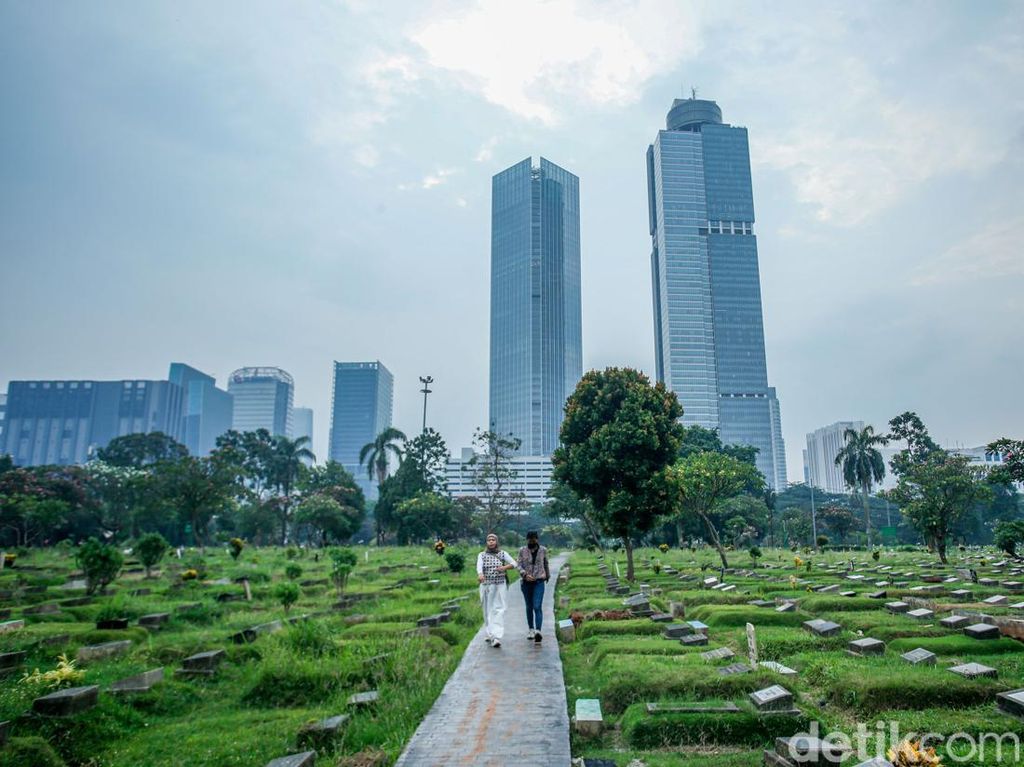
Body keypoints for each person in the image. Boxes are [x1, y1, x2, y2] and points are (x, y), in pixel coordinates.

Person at [476, 533, 516, 648]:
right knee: (487, 610)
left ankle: (496, 636)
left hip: (500, 584)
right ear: (486, 542)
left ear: (497, 541)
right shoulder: (482, 555)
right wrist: (480, 574)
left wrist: (504, 568)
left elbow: (514, 563)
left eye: (493, 539)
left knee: (499, 609)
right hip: (486, 585)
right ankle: (489, 632)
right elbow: (479, 567)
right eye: (489, 540)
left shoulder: (503, 554)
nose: (491, 542)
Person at [516, 530, 550, 642]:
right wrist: (525, 575)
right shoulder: (522, 550)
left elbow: (546, 563)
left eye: (534, 538)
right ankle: (531, 629)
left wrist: (547, 575)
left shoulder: (543, 550)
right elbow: (518, 565)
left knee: (537, 606)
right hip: (526, 583)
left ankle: (538, 631)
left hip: (539, 581)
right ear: (527, 540)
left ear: (537, 539)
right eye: (530, 539)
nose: (532, 540)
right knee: (529, 606)